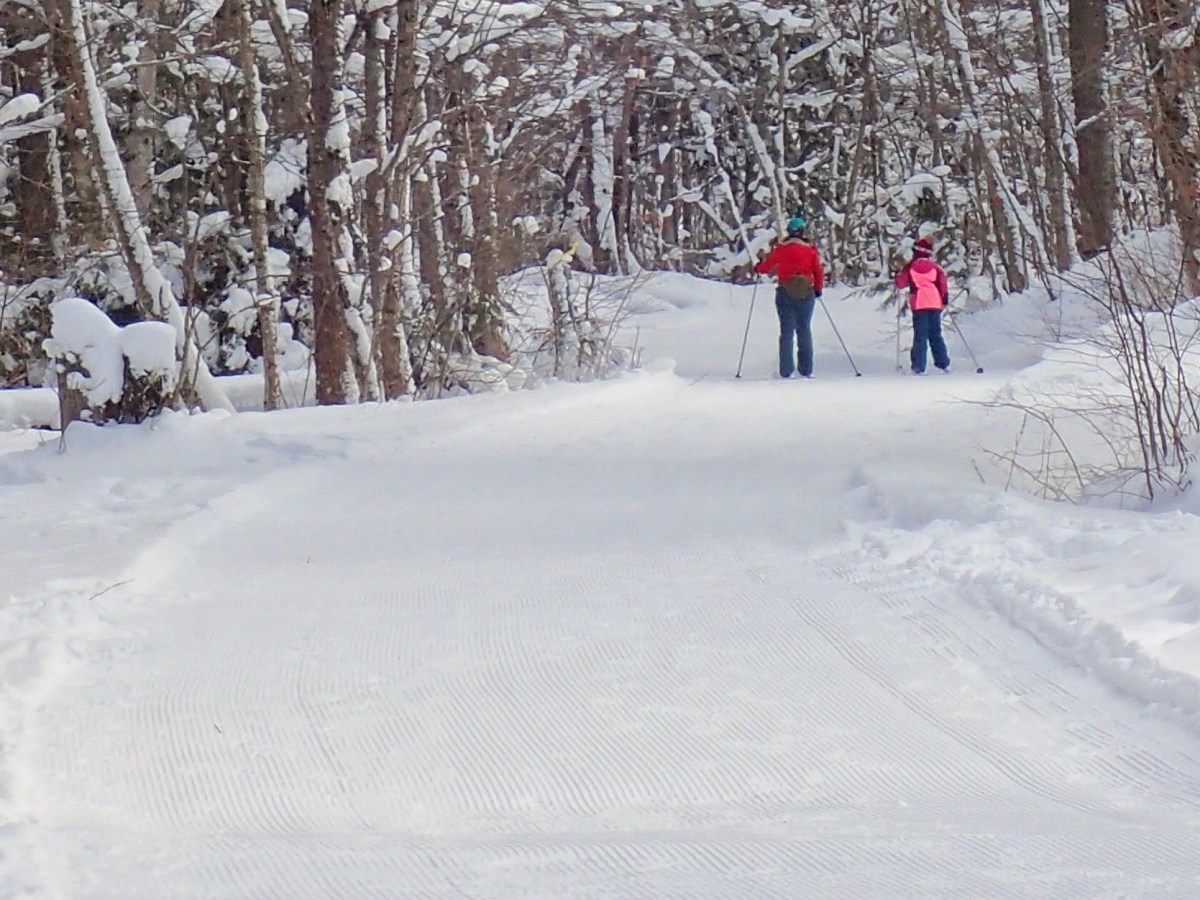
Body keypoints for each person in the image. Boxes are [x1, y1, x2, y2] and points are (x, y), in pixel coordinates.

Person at [754, 216, 825, 378]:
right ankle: (806, 370)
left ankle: (786, 371)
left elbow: (765, 267)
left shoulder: (781, 248)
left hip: (785, 292)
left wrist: (758, 267)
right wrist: (818, 289)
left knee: (786, 331)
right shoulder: (810, 250)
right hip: (806, 293)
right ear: (802, 232)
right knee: (804, 329)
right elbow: (818, 271)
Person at [895, 237, 950, 374]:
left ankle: (919, 366)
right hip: (934, 302)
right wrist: (944, 300)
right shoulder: (935, 267)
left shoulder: (910, 267)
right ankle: (943, 363)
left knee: (921, 335)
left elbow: (900, 283)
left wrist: (897, 276)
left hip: (919, 303)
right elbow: (942, 284)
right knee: (936, 334)